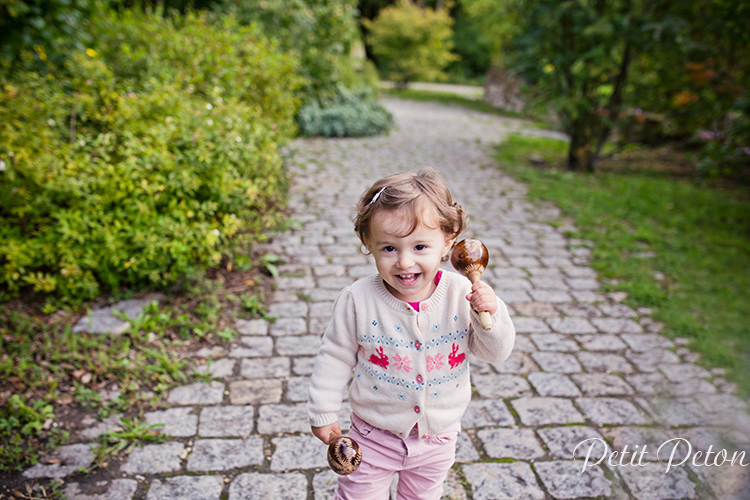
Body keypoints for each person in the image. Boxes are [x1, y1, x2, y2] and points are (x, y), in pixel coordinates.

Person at [306, 168, 515, 500]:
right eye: (389, 248)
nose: (404, 262)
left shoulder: (462, 292)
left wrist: (490, 312)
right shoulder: (358, 300)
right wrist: (323, 409)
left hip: (439, 437)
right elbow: (335, 354)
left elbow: (495, 351)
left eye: (419, 247)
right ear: (368, 244)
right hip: (373, 436)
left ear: (448, 242)